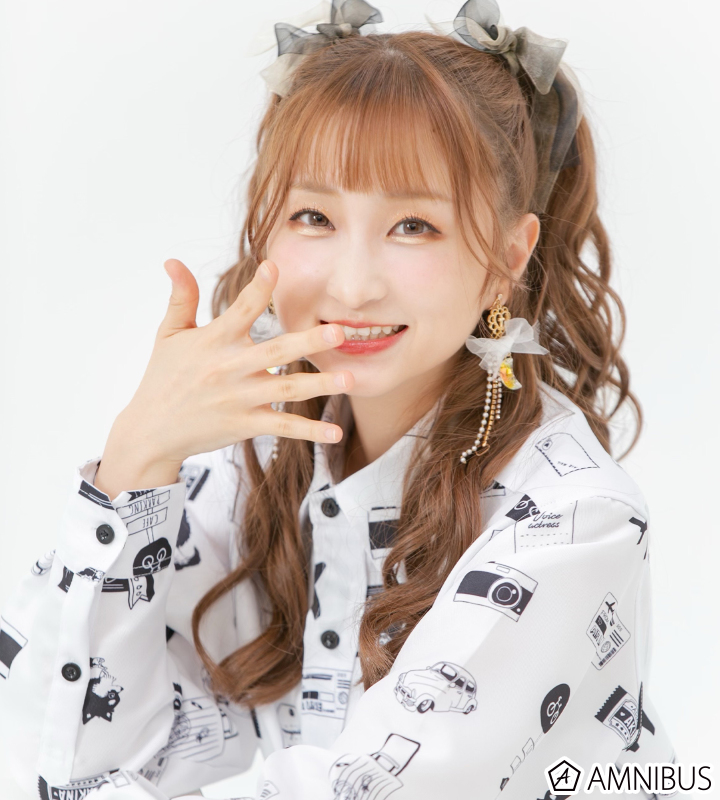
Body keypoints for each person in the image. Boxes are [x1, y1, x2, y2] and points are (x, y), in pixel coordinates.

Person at [0, 1, 681, 798]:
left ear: (507, 258)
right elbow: (54, 743)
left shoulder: (573, 521)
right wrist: (134, 462)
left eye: (414, 226)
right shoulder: (249, 466)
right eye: (314, 216)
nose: (353, 287)